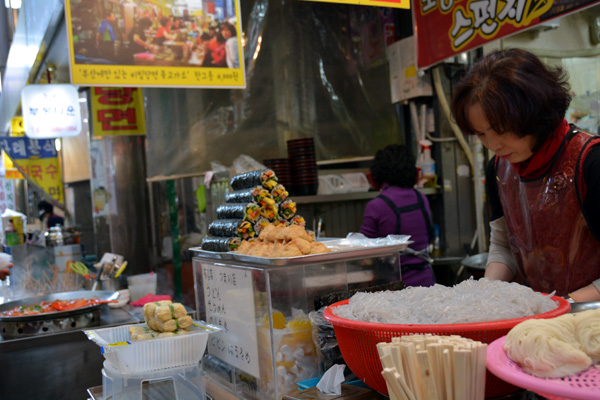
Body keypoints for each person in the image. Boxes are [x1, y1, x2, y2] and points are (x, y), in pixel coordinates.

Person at [450, 48, 600, 301]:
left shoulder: (591, 161)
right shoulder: (498, 169)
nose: (493, 145)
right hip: (538, 318)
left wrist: (566, 304)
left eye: (500, 130)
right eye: (482, 134)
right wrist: (484, 293)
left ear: (534, 114)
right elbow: (503, 245)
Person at [360, 144, 436, 287]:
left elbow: (363, 252)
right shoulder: (421, 198)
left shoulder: (377, 206)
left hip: (396, 288)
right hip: (426, 283)